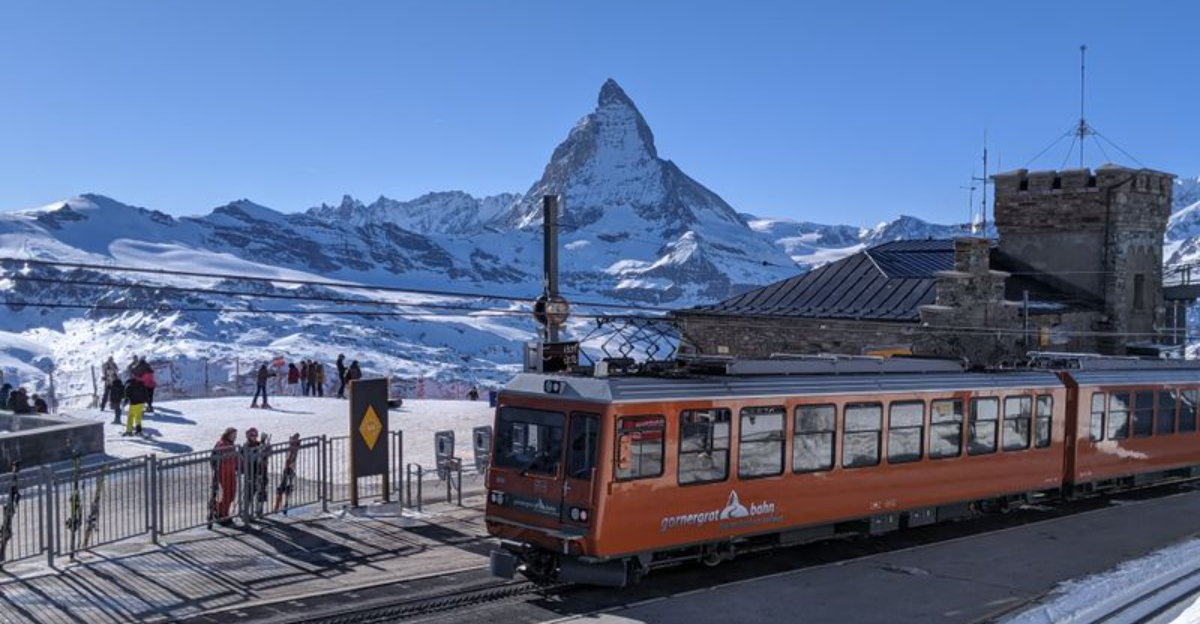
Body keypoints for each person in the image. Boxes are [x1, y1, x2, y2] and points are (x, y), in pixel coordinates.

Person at [211, 427, 239, 526]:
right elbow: (214, 458)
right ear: (227, 434)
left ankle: (224, 513)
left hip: (231, 473)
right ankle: (221, 514)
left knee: (231, 494)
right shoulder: (221, 443)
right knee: (226, 494)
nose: (234, 437)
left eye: (235, 435)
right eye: (233, 435)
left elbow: (235, 459)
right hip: (223, 473)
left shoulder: (231, 445)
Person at [243, 427, 270, 518]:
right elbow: (248, 458)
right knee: (251, 492)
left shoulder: (260, 444)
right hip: (251, 472)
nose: (254, 437)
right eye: (252, 435)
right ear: (248, 436)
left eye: (255, 435)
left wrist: (266, 448)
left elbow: (268, 453)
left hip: (262, 471)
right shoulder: (246, 446)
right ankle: (247, 512)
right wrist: (258, 452)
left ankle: (259, 510)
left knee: (262, 490)